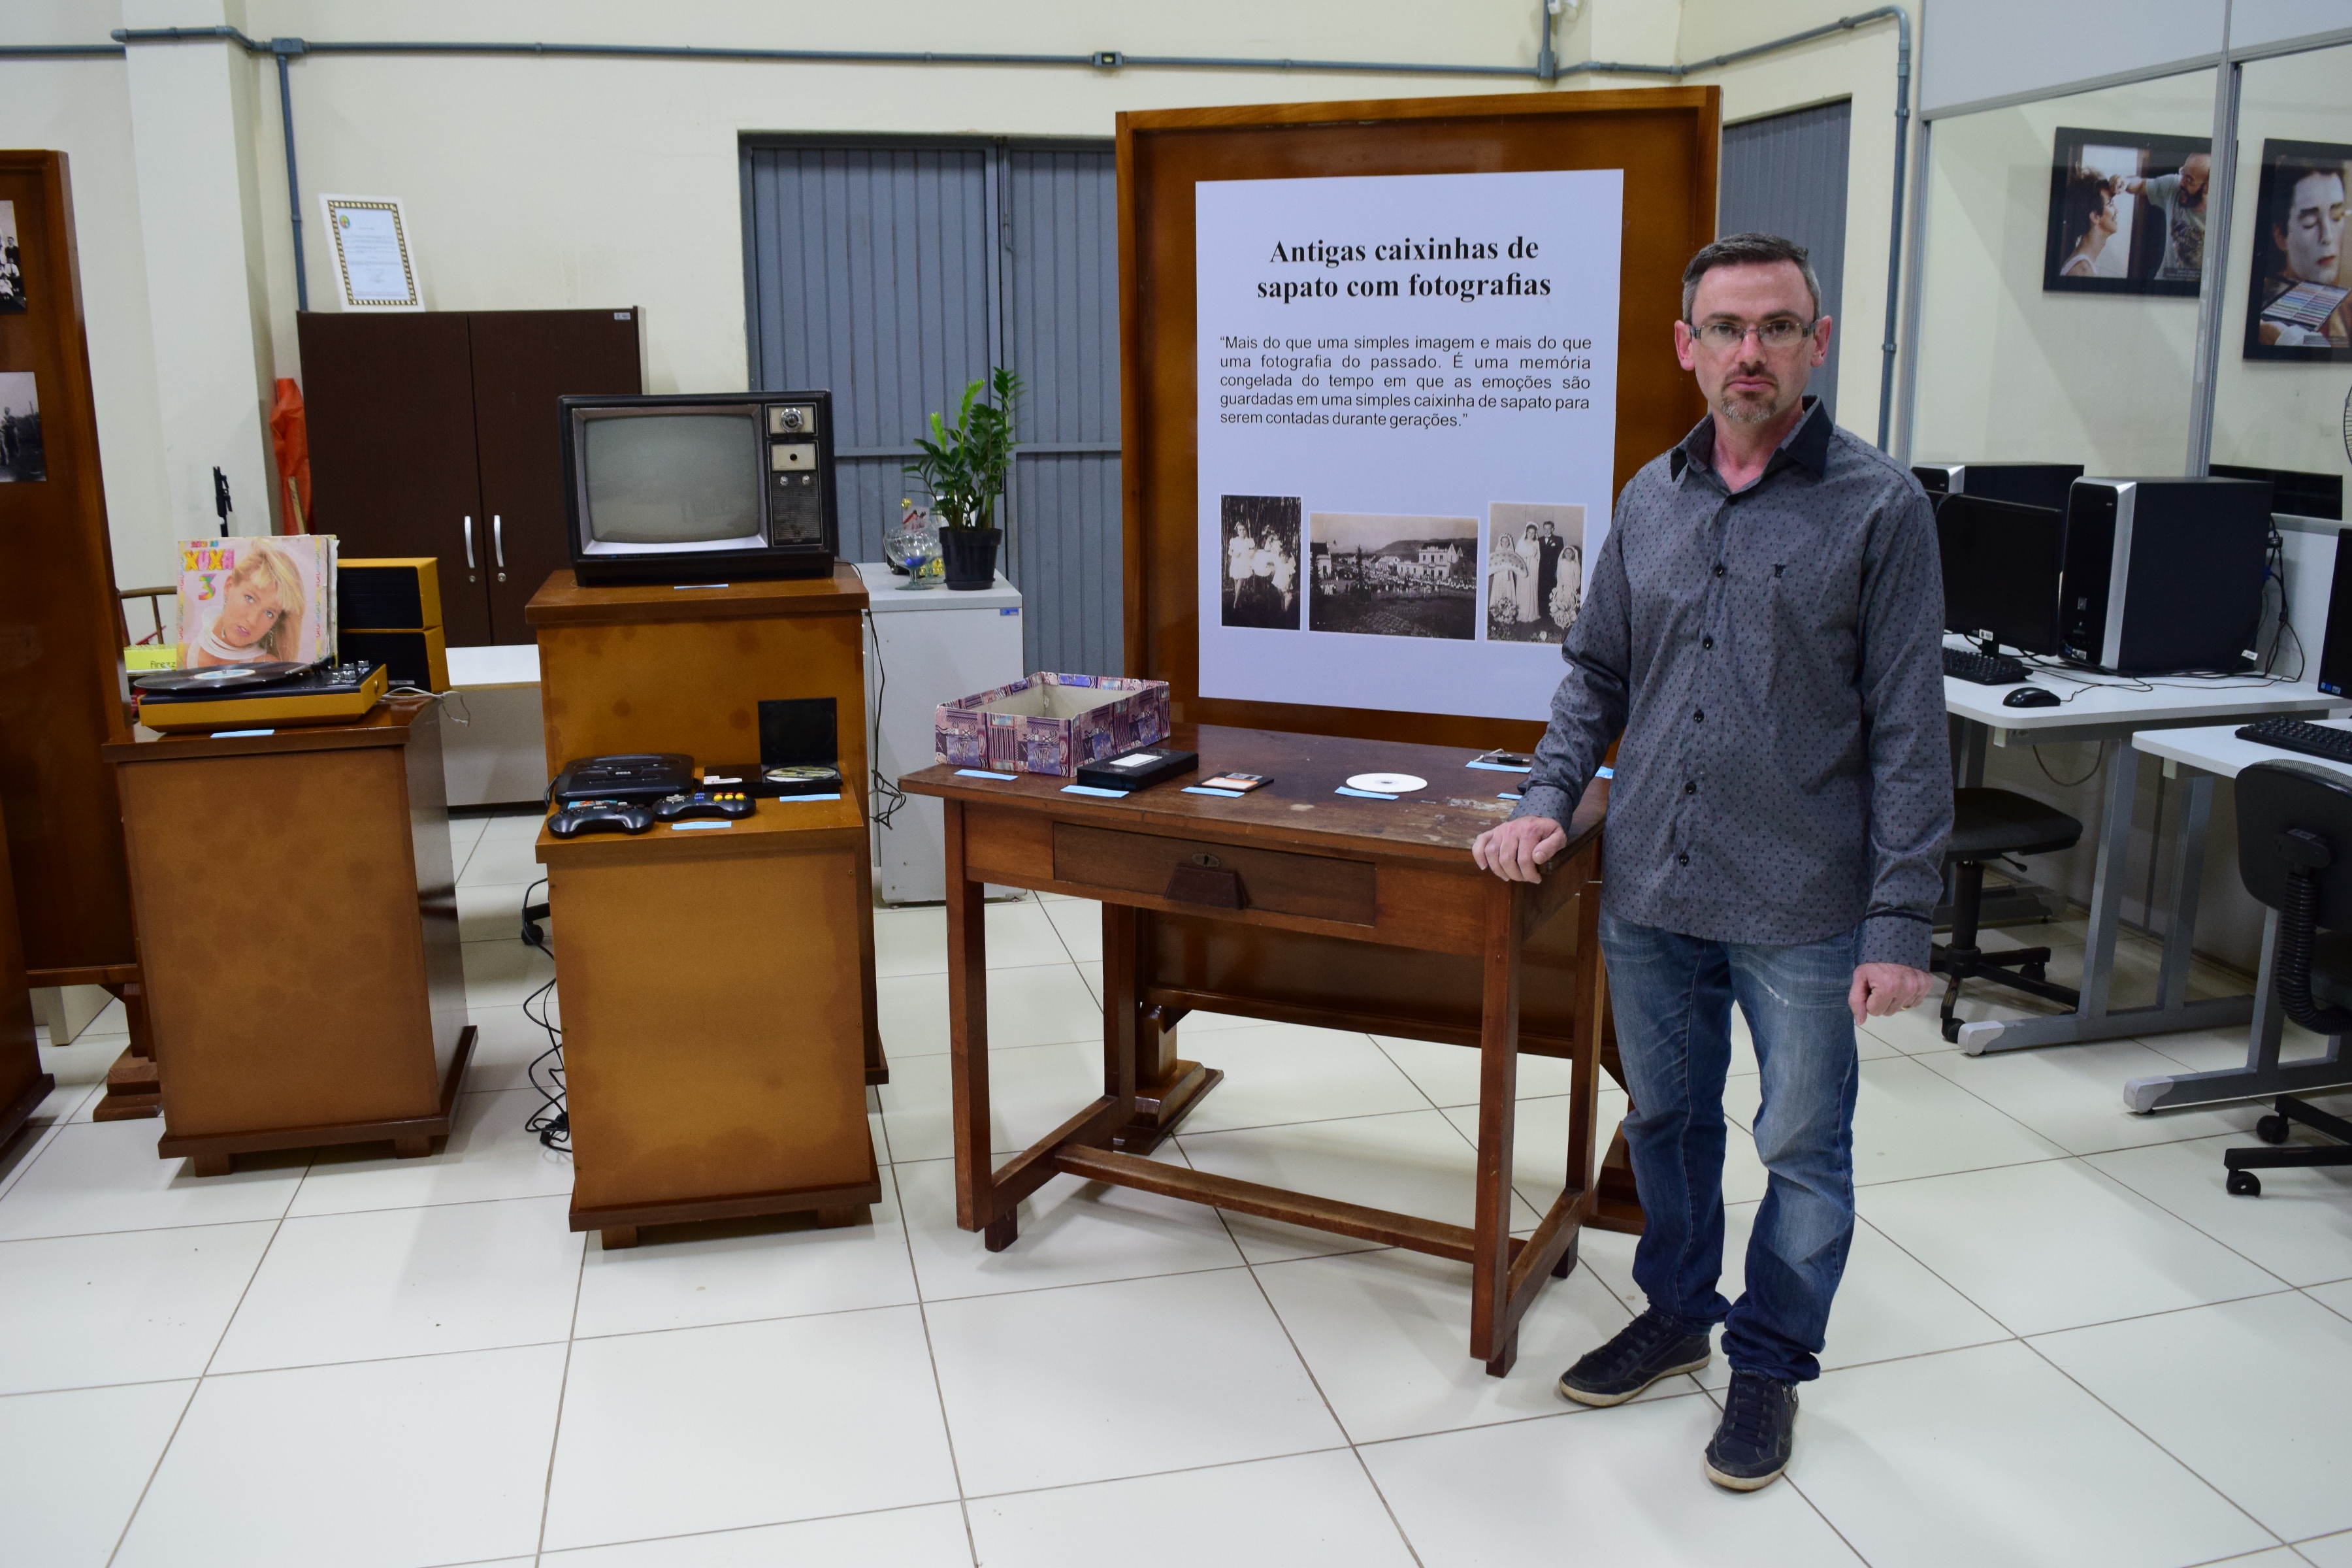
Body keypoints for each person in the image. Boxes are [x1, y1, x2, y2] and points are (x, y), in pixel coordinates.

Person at [1469, 232, 1948, 1492]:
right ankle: (1678, 1310)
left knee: (1802, 1145)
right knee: (1667, 1120)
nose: (1751, 353)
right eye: (1727, 329)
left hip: (1802, 898)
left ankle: (1771, 1363)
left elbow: (1910, 725)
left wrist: (1901, 919)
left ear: (1817, 343)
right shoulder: (1651, 497)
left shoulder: (1882, 508)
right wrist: (1545, 800)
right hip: (1652, 887)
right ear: (1687, 347)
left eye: (1777, 327)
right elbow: (1596, 673)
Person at [2255, 160, 2350, 348]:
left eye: (2337, 216)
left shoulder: (2347, 309)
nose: (2328, 237)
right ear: (2280, 236)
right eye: (2310, 223)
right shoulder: (2259, 310)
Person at [188, 537, 309, 666]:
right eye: (250, 598)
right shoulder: (185, 655)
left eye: (269, 613)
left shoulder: (267, 667)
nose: (252, 621)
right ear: (229, 586)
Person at [2121, 151, 2210, 283]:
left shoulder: (2220, 219)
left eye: (2189, 181)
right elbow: (2139, 185)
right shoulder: (2173, 187)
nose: (2181, 183)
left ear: (2207, 188)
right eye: (2183, 174)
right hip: (2161, 289)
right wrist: (2122, 182)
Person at [2058, 171, 2121, 279]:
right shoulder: (2082, 270)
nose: (2117, 210)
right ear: (2095, 217)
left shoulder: (2085, 264)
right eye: (2110, 203)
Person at [1534, 519, 1565, 632]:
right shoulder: (1539, 540)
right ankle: (1542, 613)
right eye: (1545, 529)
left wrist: (1558, 571)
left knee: (1552, 590)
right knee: (1541, 590)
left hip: (1553, 570)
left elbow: (1561, 557)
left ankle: (1552, 612)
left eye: (1549, 529)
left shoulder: (1558, 540)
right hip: (1541, 570)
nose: (1547, 531)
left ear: (1553, 529)